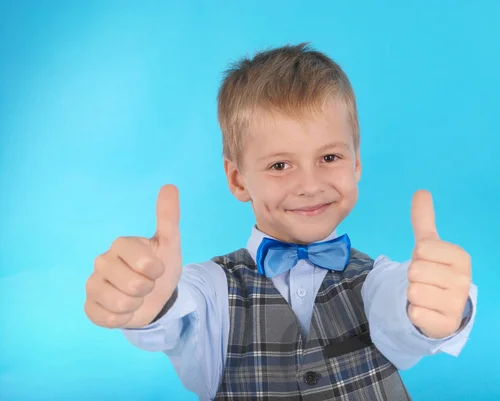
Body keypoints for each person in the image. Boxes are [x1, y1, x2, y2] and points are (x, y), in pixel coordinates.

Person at [84, 42, 478, 401]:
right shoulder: (213, 293)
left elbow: (403, 310)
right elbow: (177, 309)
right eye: (279, 164)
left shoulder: (377, 280)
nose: (309, 185)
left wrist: (437, 305)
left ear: (356, 163)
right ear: (238, 179)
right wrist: (151, 305)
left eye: (329, 158)